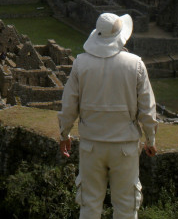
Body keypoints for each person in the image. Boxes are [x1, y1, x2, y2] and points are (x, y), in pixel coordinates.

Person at [58, 12, 158, 219]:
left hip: (91, 145)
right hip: (125, 146)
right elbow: (147, 108)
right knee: (125, 207)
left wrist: (64, 134)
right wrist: (150, 139)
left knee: (89, 205)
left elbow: (69, 105)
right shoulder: (135, 64)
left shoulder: (81, 64)